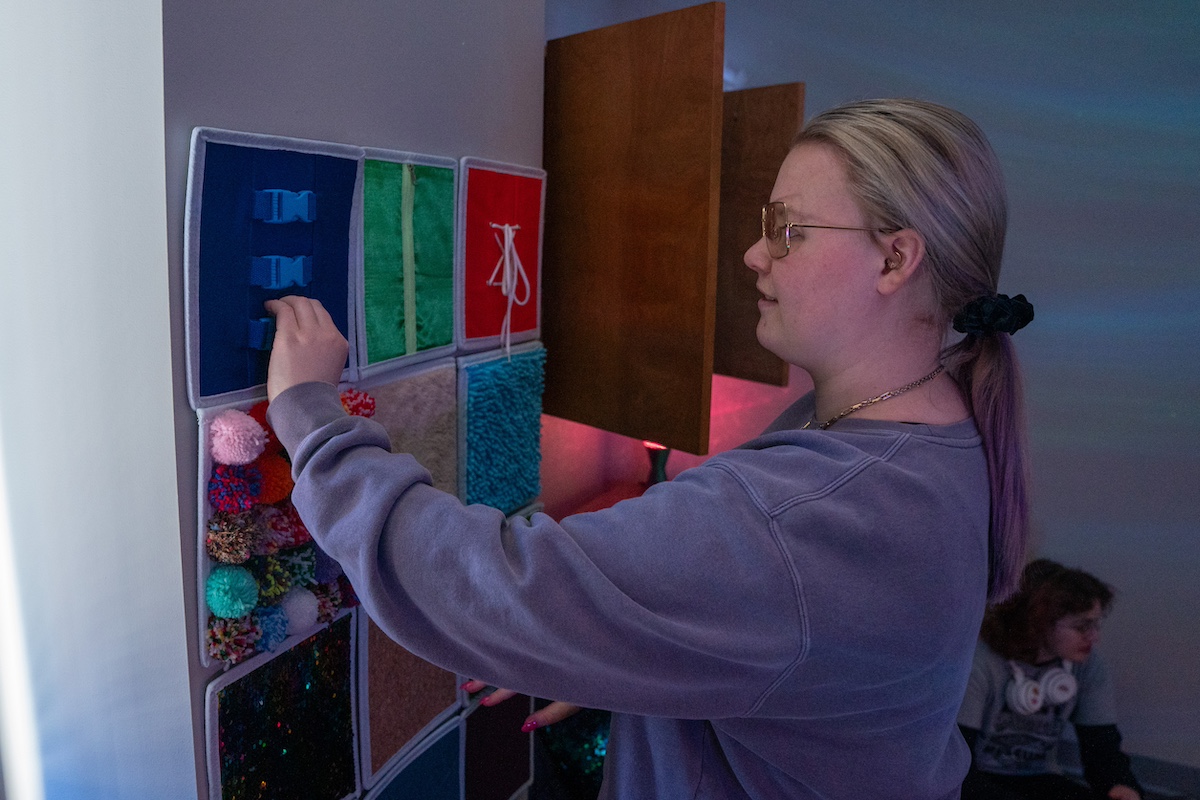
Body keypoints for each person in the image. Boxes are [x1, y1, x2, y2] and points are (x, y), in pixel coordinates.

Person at [263, 98, 1035, 799]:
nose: (754, 255)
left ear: (896, 260)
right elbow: (802, 649)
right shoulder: (944, 430)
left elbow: (503, 581)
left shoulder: (809, 512)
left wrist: (315, 422)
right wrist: (641, 656)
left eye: (787, 230)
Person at [958, 559, 1144, 800]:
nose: (1094, 637)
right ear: (1038, 622)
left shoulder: (1088, 665)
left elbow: (1102, 749)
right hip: (979, 781)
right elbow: (958, 767)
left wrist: (1120, 784)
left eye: (1096, 624)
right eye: (1082, 626)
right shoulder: (980, 662)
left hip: (1039, 778)